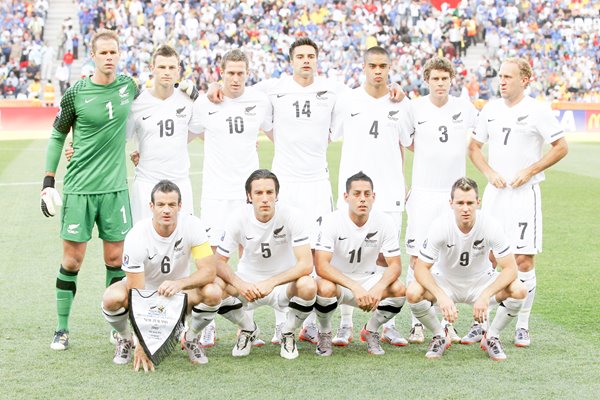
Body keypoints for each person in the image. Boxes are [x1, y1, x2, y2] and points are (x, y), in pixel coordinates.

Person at [41, 29, 138, 351]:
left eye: (114, 52)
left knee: (115, 258)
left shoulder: (129, 86)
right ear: (93, 57)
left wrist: (191, 90)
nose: (109, 58)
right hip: (80, 189)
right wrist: (48, 181)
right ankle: (61, 328)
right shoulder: (76, 94)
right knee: (72, 261)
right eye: (104, 53)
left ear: (119, 54)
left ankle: (116, 325)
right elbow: (57, 135)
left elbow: (160, 96)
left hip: (114, 190)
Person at [469, 57, 568, 347]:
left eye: (508, 77)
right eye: (500, 76)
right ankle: (481, 323)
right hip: (495, 194)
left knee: (523, 260)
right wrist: (489, 172)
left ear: (525, 79)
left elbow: (561, 147)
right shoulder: (490, 109)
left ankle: (522, 325)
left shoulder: (537, 110)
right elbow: (474, 148)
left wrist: (530, 170)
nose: (501, 81)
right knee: (487, 259)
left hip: (525, 195)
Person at [189, 49, 273, 347]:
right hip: (215, 193)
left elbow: (280, 135)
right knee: (210, 261)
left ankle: (245, 325)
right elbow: (185, 135)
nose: (235, 79)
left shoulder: (260, 101)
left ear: (247, 72)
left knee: (247, 259)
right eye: (230, 73)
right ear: (220, 73)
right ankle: (207, 321)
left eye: (240, 73)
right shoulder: (204, 103)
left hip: (247, 195)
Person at [330, 46, 412, 347]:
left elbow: (404, 144)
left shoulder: (401, 103)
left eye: (383, 66)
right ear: (363, 67)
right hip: (352, 193)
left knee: (384, 258)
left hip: (388, 192)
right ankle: (345, 323)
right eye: (373, 65)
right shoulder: (347, 100)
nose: (378, 70)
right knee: (345, 258)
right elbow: (327, 134)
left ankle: (383, 324)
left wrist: (401, 182)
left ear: (390, 67)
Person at [101, 180, 223, 370]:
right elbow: (137, 295)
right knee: (111, 297)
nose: (166, 210)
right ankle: (125, 338)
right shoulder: (136, 236)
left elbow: (209, 271)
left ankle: (190, 338)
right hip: (144, 292)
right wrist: (142, 343)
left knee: (214, 292)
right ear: (151, 206)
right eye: (161, 205)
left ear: (179, 206)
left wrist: (180, 284)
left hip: (178, 295)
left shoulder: (193, 225)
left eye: (171, 205)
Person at [407, 177, 527, 361]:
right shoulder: (440, 225)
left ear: (478, 203)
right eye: (460, 203)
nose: (465, 208)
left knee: (518, 290)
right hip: (446, 281)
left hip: (480, 282)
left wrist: (486, 295)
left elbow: (511, 269)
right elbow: (421, 268)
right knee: (413, 292)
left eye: (470, 203)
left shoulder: (490, 225)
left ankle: (492, 336)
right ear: (451, 203)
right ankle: (440, 335)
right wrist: (441, 296)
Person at [403, 56, 478, 344]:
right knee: (417, 257)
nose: (440, 84)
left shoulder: (463, 108)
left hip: (453, 196)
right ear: (427, 80)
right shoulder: (415, 107)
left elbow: (480, 137)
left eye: (445, 79)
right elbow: (407, 142)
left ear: (451, 80)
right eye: (435, 79)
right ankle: (417, 322)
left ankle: (447, 323)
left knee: (447, 257)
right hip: (423, 193)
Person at [215, 169, 316, 359]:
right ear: (249, 196)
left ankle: (288, 332)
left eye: (270, 192)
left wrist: (272, 282)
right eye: (258, 193)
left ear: (277, 195)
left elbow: (306, 265)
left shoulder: (292, 215)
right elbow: (218, 263)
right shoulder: (237, 217)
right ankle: (248, 329)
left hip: (282, 286)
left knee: (308, 285)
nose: (265, 198)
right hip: (248, 285)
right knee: (214, 289)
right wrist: (241, 284)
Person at [314, 171, 407, 356]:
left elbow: (395, 265)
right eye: (356, 194)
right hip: (339, 283)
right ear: (346, 197)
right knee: (323, 287)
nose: (362, 199)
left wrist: (379, 287)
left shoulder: (385, 221)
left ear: (374, 197)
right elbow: (321, 266)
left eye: (367, 194)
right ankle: (324, 333)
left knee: (399, 289)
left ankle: (371, 330)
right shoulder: (331, 221)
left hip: (368, 281)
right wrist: (355, 287)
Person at [127, 45, 199, 223]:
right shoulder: (136, 103)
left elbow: (201, 130)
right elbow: (118, 138)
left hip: (179, 182)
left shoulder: (189, 100)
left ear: (178, 70)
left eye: (171, 67)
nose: (167, 72)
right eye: (161, 67)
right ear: (152, 69)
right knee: (143, 245)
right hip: (146, 183)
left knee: (182, 245)